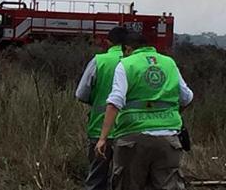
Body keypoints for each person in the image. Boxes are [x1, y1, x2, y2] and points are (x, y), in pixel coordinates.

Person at [95, 31, 193, 190]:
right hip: (168, 139)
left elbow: (115, 102)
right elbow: (187, 97)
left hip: (133, 138)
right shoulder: (169, 63)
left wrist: (103, 138)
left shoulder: (127, 64)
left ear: (127, 49)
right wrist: (170, 116)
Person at [75, 26, 128, 190]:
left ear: (108, 41)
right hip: (129, 130)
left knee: (97, 179)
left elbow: (81, 94)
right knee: (126, 181)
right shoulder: (133, 63)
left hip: (99, 130)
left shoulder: (99, 61)